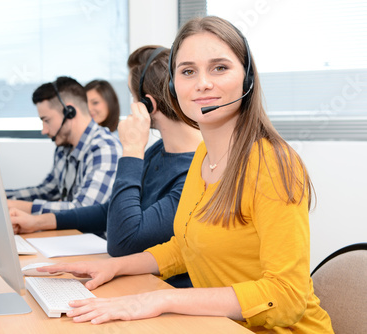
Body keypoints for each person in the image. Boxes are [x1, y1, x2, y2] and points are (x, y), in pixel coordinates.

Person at [35, 16, 334, 333]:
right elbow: (184, 246)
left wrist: (163, 300)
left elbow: (287, 295)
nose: (202, 83)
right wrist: (112, 267)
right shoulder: (204, 155)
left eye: (220, 67)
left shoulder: (272, 163)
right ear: (173, 87)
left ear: (246, 79)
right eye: (188, 71)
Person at [9, 46, 203, 288]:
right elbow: (107, 211)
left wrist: (132, 149)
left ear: (147, 104)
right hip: (138, 284)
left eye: (133, 98)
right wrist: (38, 222)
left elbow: (123, 243)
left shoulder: (198, 169)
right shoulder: (158, 152)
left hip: (165, 293)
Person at [6, 76, 122, 215]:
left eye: (46, 120)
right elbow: (48, 191)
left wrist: (23, 207)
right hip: (70, 234)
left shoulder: (105, 148)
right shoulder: (63, 148)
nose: (44, 130)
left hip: (92, 236)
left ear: (69, 113)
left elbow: (85, 209)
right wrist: (1, 198)